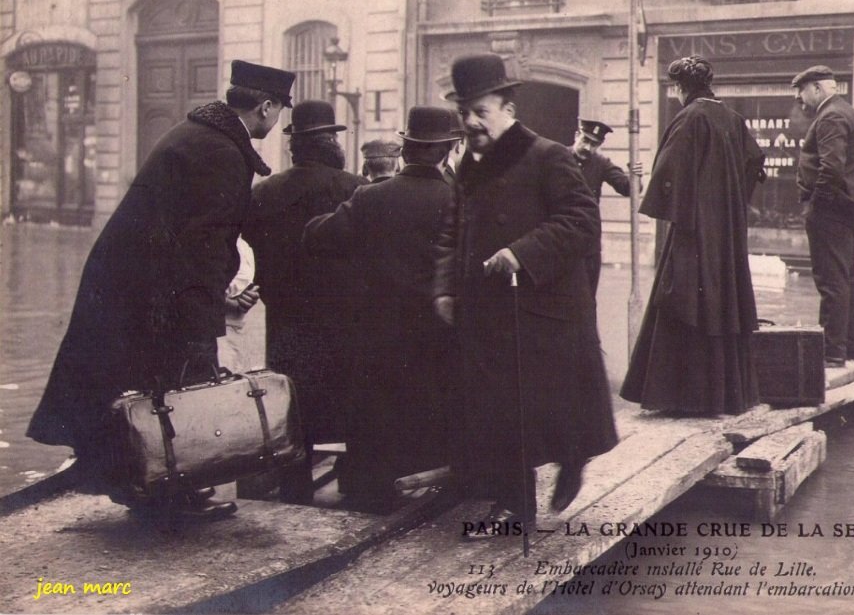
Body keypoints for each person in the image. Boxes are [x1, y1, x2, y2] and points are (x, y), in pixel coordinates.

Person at [27, 60, 295, 520]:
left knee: (138, 390)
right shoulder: (221, 151)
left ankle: (147, 488)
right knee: (172, 393)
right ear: (266, 107)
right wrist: (207, 313)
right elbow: (202, 245)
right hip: (155, 294)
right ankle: (168, 500)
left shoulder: (200, 136)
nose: (278, 121)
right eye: (279, 112)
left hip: (133, 286)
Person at [434, 53, 618, 536]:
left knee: (548, 408)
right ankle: (515, 504)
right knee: (498, 407)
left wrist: (520, 253)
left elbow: (582, 221)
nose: (471, 122)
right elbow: (452, 232)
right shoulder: (466, 166)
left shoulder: (546, 155)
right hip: (487, 309)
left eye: (481, 111)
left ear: (508, 108)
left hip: (544, 307)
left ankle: (569, 461)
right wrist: (445, 290)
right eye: (464, 112)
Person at [304, 106, 459, 513]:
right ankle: (426, 487)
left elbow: (318, 236)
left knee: (373, 408)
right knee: (430, 405)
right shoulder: (459, 200)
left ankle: (367, 486)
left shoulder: (370, 197)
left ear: (405, 150)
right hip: (436, 334)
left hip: (374, 331)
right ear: (448, 150)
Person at [620, 55, 765, 416]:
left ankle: (682, 397)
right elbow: (754, 162)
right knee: (722, 303)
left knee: (684, 301)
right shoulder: (733, 119)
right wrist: (731, 204)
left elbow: (669, 171)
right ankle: (725, 396)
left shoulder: (689, 118)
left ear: (680, 88)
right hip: (726, 234)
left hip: (695, 232)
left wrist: (676, 204)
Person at [241, 99, 366, 505]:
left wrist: (267, 288)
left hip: (287, 316)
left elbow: (247, 254)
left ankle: (295, 488)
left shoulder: (264, 193)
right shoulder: (356, 189)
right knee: (347, 396)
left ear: (295, 146)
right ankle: (354, 484)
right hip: (344, 317)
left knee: (293, 400)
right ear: (330, 142)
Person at [791, 65, 854, 367]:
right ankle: (849, 348)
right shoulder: (846, 111)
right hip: (847, 209)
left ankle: (832, 353)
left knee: (831, 281)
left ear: (817, 88)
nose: (801, 101)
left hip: (831, 212)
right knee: (845, 278)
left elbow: (831, 168)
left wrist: (816, 205)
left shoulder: (830, 116)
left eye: (802, 93)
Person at [570, 119, 639, 297]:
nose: (588, 147)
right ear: (577, 135)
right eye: (585, 140)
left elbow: (627, 188)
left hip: (588, 242)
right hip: (560, 239)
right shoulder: (558, 156)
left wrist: (635, 176)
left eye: (594, 144)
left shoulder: (601, 163)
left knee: (587, 297)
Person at [216, 236, 260, 374]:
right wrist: (227, 302)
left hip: (241, 332)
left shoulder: (242, 244)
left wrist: (248, 297)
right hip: (214, 335)